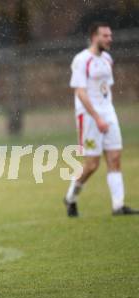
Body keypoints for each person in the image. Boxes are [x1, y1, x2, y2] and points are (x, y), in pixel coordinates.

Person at [64, 22, 138, 217]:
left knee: (115, 158)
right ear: (94, 37)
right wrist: (97, 118)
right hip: (88, 116)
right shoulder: (81, 60)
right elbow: (80, 92)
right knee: (92, 164)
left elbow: (105, 89)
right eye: (105, 36)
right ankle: (70, 197)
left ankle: (118, 206)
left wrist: (106, 115)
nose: (109, 39)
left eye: (110, 35)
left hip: (108, 113)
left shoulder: (107, 59)